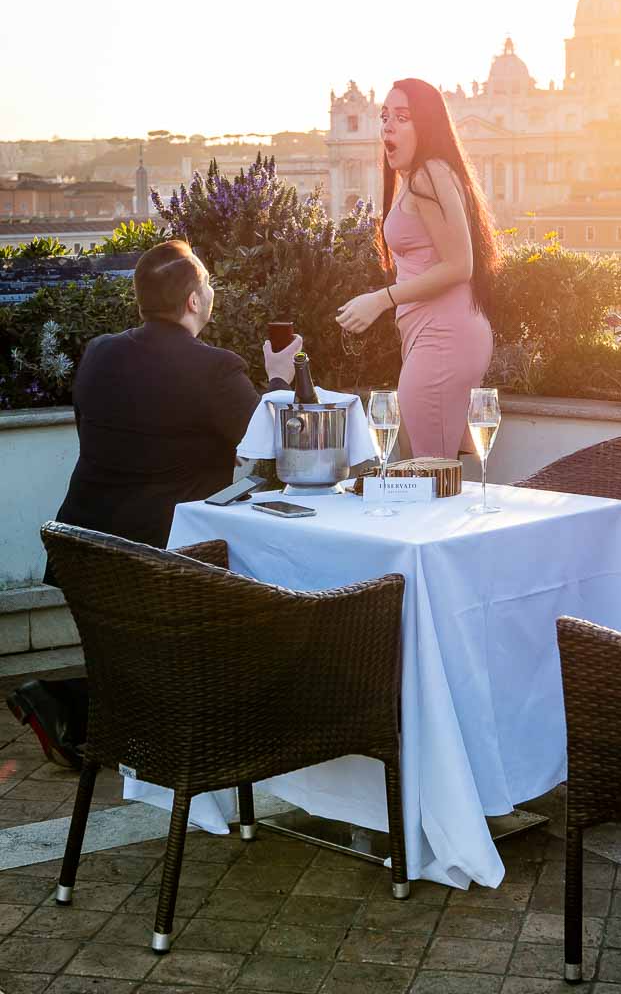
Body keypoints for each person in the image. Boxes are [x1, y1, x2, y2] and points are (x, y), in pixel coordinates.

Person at [7, 239, 301, 768]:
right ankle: (79, 709)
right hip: (168, 557)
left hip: (87, 547)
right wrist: (278, 375)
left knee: (145, 668)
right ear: (193, 301)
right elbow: (273, 444)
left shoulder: (100, 352)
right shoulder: (213, 368)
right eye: (208, 282)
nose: (211, 291)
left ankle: (68, 709)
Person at [336, 78, 499, 458]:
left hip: (442, 339)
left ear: (426, 125)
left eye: (402, 118)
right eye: (384, 116)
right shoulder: (422, 177)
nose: (387, 126)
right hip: (434, 336)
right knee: (430, 471)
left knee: (428, 472)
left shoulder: (430, 174)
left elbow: (460, 265)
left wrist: (381, 300)